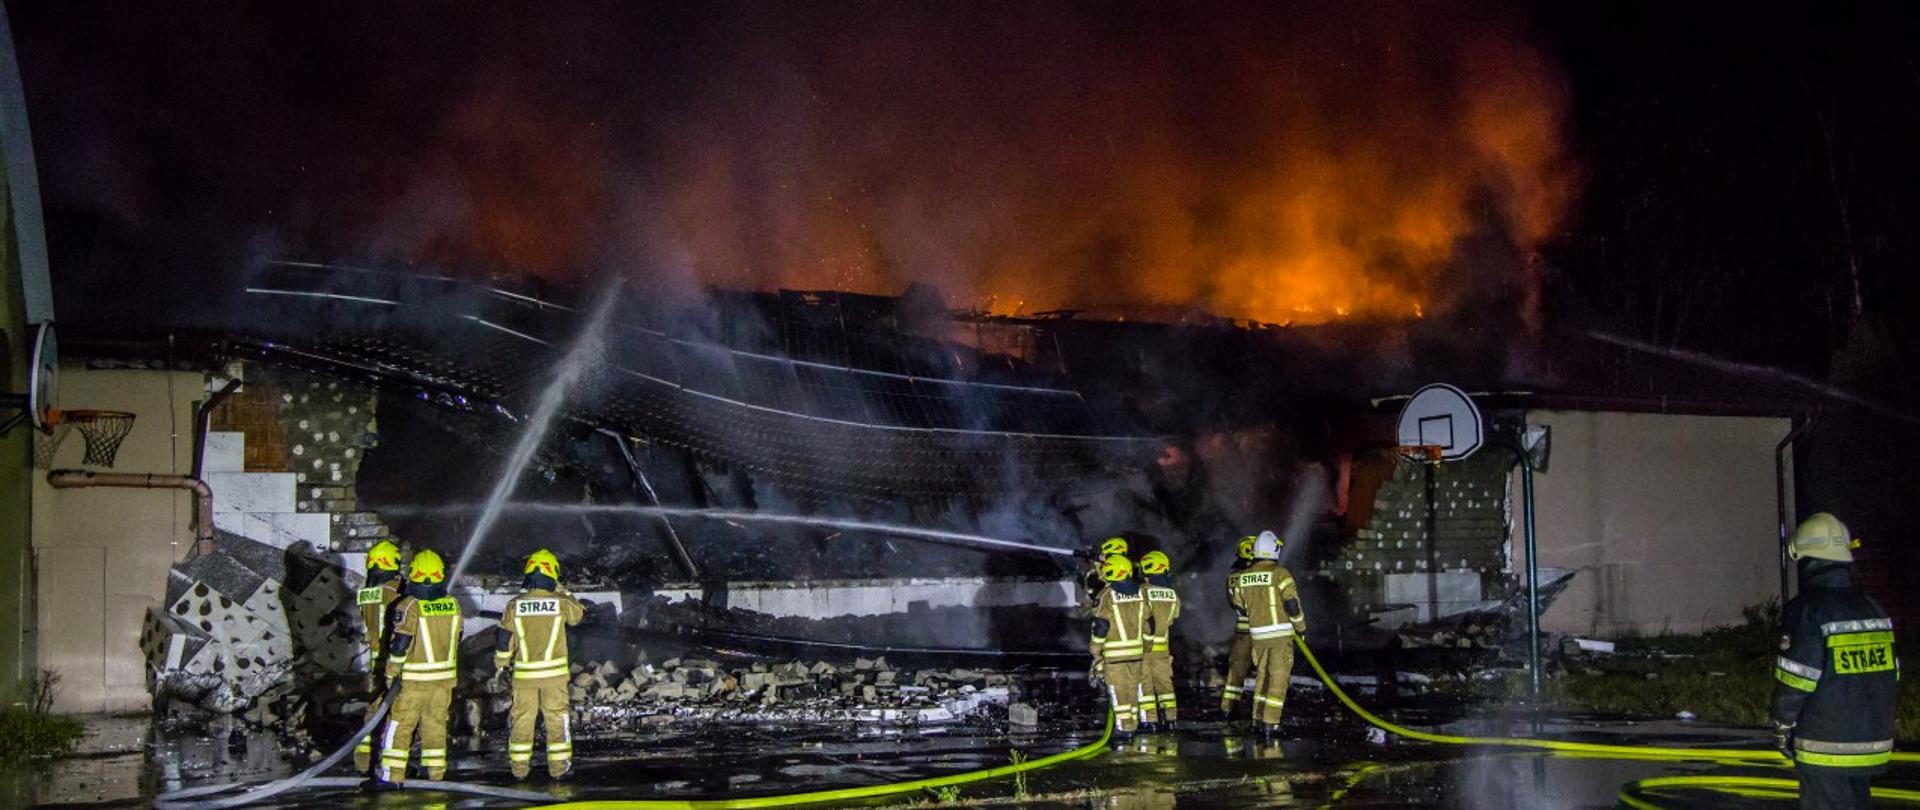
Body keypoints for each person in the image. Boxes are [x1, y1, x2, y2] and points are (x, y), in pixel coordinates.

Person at [1772, 513, 1897, 810]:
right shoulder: (1872, 607)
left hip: (1824, 745)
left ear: (1807, 559)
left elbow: (1795, 679)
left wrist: (1782, 724)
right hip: (1871, 742)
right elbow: (1892, 673)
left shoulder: (1807, 610)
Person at [374, 549, 463, 788]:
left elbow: (401, 642)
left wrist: (391, 670)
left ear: (414, 574)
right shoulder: (453, 605)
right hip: (443, 683)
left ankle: (391, 777)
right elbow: (457, 638)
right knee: (435, 726)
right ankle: (435, 774)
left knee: (400, 727)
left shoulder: (409, 605)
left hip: (413, 683)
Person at [495, 549, 586, 780]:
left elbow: (504, 638)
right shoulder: (560, 602)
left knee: (522, 719)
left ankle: (518, 769)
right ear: (552, 574)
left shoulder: (514, 605)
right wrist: (563, 590)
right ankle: (559, 768)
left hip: (524, 677)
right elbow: (577, 617)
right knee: (556, 718)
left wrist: (501, 664)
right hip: (554, 678)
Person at [1229, 531, 1305, 741]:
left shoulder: (1244, 576)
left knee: (1263, 678)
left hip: (1258, 638)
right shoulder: (1281, 574)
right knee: (1278, 680)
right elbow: (1292, 604)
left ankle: (1257, 719)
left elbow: (1239, 606)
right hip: (1280, 637)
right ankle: (1271, 723)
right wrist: (1301, 627)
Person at [352, 540, 406, 772]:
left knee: (374, 707)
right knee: (394, 711)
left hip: (375, 659)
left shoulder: (365, 593)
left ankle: (364, 758)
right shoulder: (391, 592)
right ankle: (388, 765)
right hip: (392, 660)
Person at [1089, 553, 1149, 743]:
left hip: (1115, 656)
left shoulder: (1107, 595)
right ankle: (1134, 725)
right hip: (1137, 654)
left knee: (1119, 691)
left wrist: (1095, 647)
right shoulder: (1140, 592)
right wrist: (1145, 644)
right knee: (1133, 689)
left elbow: (1101, 625)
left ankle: (1123, 730)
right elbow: (1150, 623)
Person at [1138, 550, 1181, 732]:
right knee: (1165, 684)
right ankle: (1170, 718)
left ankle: (1150, 721)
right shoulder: (1173, 595)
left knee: (1145, 684)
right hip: (1162, 649)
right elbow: (1173, 618)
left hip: (1143, 648)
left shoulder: (1141, 592)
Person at [1220, 535, 1257, 718]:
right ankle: (1262, 714)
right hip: (1260, 632)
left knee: (1236, 673)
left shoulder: (1233, 577)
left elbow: (1232, 602)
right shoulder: (1257, 577)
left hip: (1241, 633)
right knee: (1267, 671)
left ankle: (1228, 708)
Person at [1082, 536, 1130, 605]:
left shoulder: (1109, 569)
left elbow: (1107, 582)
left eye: (1104, 553)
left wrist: (1097, 567)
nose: (1102, 555)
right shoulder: (1128, 564)